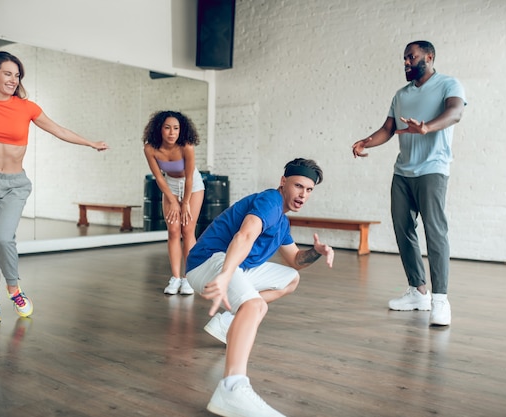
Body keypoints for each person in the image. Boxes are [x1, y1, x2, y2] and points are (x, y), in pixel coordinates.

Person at [0, 51, 109, 324]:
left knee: (3, 237)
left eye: (17, 75)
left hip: (15, 184)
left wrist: (90, 143)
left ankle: (14, 288)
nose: (13, 80)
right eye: (7, 73)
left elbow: (58, 130)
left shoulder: (27, 107)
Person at [185, 158, 334, 417]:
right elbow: (244, 235)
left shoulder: (282, 222)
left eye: (309, 190)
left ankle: (228, 323)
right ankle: (232, 388)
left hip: (234, 266)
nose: (303, 195)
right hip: (208, 261)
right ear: (283, 182)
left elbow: (295, 261)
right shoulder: (269, 202)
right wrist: (225, 274)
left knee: (289, 279)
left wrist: (317, 252)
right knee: (254, 306)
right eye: (299, 186)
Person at [352, 40, 466, 326]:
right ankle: (418, 291)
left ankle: (440, 299)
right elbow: (389, 129)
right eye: (404, 58)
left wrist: (427, 126)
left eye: (411, 57)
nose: (406, 62)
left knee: (435, 232)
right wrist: (366, 142)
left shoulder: (448, 84)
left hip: (433, 169)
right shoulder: (400, 94)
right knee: (403, 230)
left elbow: (456, 113)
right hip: (403, 172)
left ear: (429, 57)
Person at [143, 110, 205, 295]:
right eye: (167, 128)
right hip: (169, 186)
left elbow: (189, 179)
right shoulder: (150, 148)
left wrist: (184, 202)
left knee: (187, 231)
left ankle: (189, 278)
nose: (172, 132)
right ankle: (176, 277)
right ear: (159, 129)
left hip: (192, 186)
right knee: (173, 231)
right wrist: (172, 199)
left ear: (181, 130)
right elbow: (159, 178)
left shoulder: (187, 146)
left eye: (176, 128)